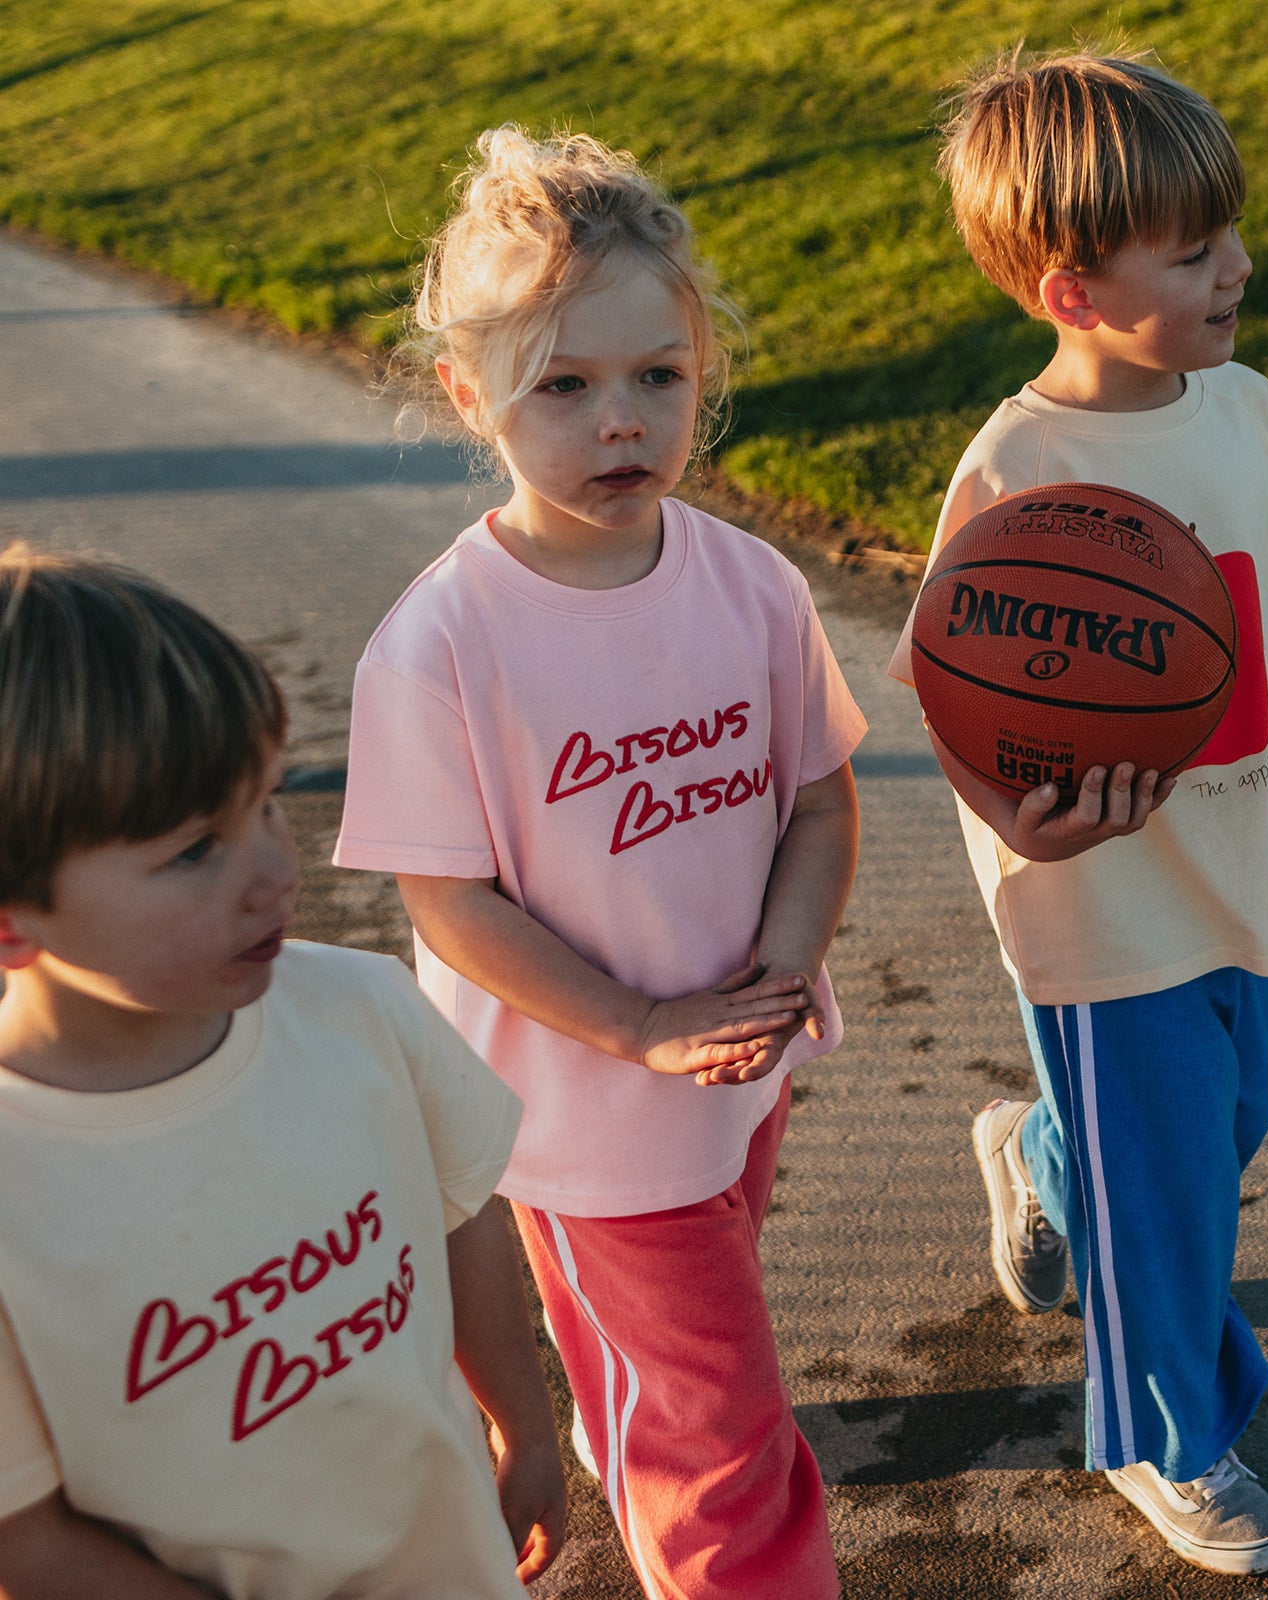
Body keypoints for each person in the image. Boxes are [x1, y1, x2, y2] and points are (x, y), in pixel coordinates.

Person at [334, 126, 863, 1600]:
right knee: (721, 1442)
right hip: (586, 1107)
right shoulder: (444, 645)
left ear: (702, 373)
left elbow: (818, 801)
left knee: (703, 1323)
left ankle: (627, 1383)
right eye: (563, 386)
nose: (618, 420)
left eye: (656, 377)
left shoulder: (751, 585)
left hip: (734, 1060)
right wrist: (634, 1026)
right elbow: (449, 902)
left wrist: (783, 961)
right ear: (470, 394)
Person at [888, 51, 1268, 1576]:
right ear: (1072, 292)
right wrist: (1017, 826)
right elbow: (948, 690)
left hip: (1233, 874)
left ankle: (1040, 1158)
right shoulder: (1018, 473)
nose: (1238, 266)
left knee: (1221, 1129)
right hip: (1092, 902)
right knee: (1170, 1205)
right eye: (1193, 252)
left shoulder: (1242, 409)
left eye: (1229, 232)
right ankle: (1170, 1439)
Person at [0, 547, 566, 1598]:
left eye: (266, 803)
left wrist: (525, 1428)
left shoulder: (357, 1009)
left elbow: (460, 1219)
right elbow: (25, 1542)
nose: (276, 868)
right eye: (191, 850)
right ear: (12, 920)